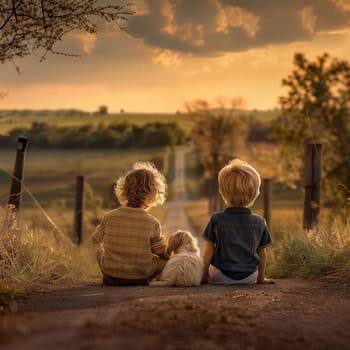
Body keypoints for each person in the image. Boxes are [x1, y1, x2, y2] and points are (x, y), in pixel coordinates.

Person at [91, 162, 169, 286]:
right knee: (164, 262)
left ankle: (111, 275)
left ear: (123, 190)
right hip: (140, 277)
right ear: (153, 194)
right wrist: (170, 256)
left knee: (99, 252)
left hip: (111, 275)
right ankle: (150, 278)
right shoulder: (153, 223)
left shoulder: (109, 217)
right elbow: (159, 251)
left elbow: (95, 239)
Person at [202, 158, 274, 285]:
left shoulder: (216, 219)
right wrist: (261, 279)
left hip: (222, 276)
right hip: (250, 276)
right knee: (256, 268)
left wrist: (203, 276)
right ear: (255, 193)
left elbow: (209, 250)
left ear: (222, 192)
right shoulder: (260, 222)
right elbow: (262, 253)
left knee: (212, 268)